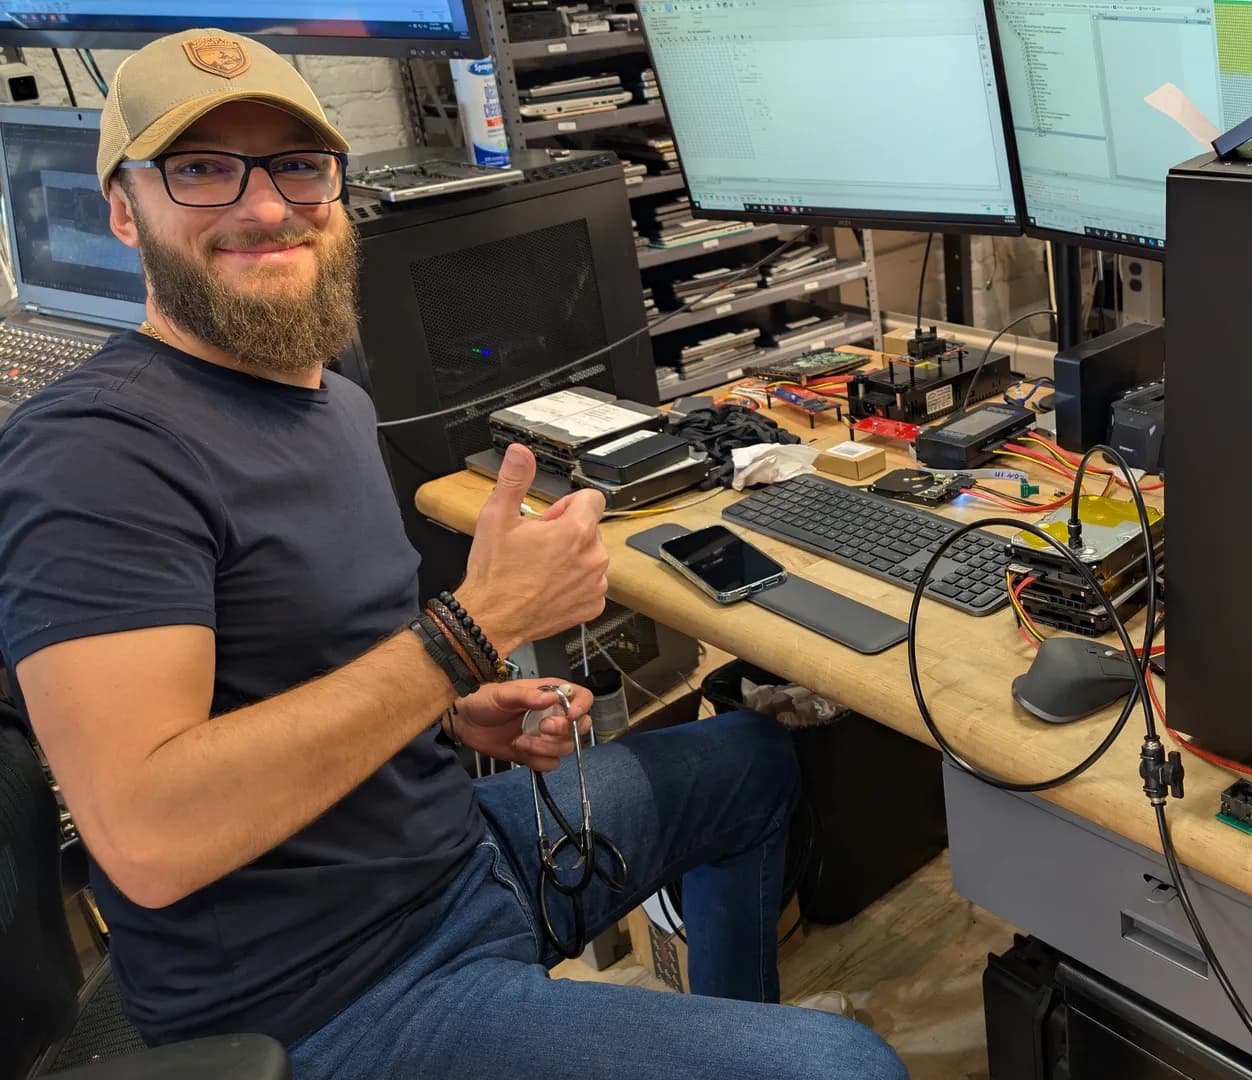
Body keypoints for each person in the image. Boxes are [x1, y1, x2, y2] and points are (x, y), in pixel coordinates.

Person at [0, 29, 905, 1080]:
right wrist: (467, 638)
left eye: (298, 166)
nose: (263, 205)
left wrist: (451, 706)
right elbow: (149, 839)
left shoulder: (328, 399)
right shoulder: (96, 457)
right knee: (844, 1070)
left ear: (339, 190)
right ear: (123, 209)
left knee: (751, 763)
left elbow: (299, 662)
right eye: (201, 171)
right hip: (334, 997)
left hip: (453, 860)